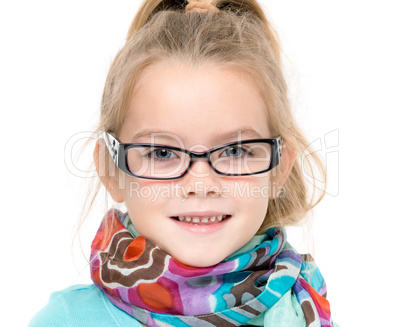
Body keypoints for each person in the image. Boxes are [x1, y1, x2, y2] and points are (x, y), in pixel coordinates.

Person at [29, 0, 337, 326]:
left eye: (235, 151)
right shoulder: (66, 321)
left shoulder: (305, 308)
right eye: (162, 153)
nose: (200, 184)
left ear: (280, 168)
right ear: (110, 169)